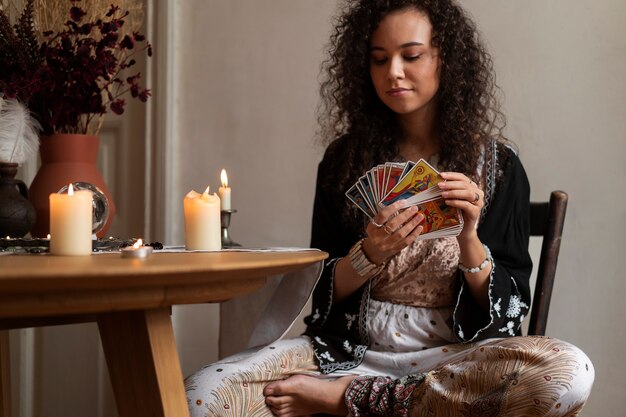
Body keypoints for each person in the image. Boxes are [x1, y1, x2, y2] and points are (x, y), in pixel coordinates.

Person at [185, 1, 594, 416]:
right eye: (379, 59)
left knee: (569, 372)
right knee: (204, 392)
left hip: (456, 362)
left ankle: (353, 399)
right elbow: (322, 292)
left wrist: (469, 237)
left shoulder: (498, 165)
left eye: (411, 56)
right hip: (351, 353)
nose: (393, 72)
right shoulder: (344, 159)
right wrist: (370, 254)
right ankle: (372, 394)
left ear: (445, 58)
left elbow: (510, 312)